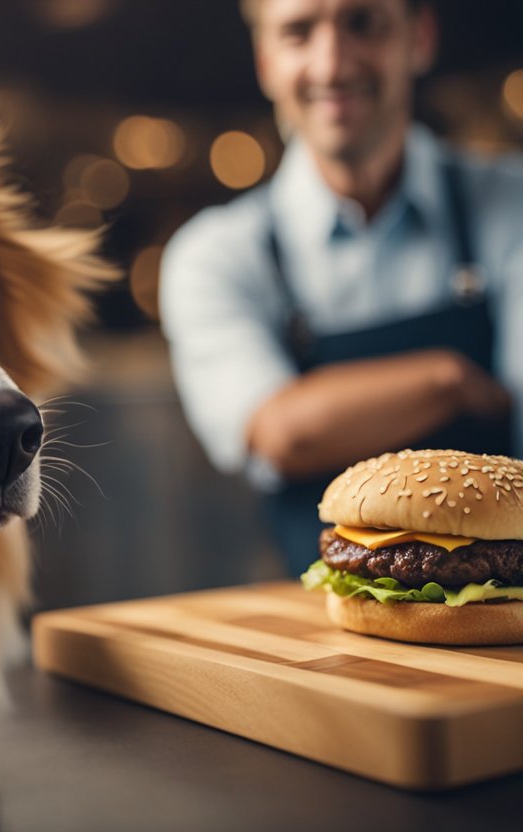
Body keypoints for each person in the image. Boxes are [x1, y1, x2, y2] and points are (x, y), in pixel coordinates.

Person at [159, 0, 523, 573]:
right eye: (298, 32)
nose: (332, 64)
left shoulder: (512, 205)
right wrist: (450, 380)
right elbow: (282, 434)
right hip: (312, 626)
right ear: (266, 61)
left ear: (420, 38)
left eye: (363, 23)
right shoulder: (216, 254)